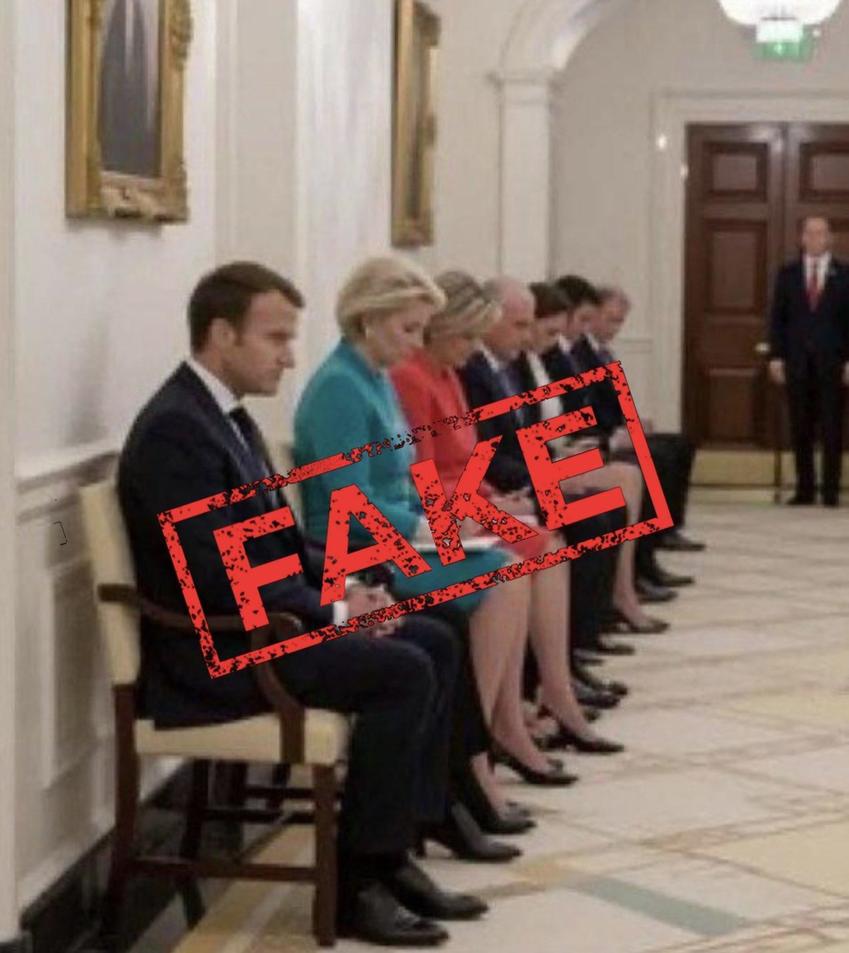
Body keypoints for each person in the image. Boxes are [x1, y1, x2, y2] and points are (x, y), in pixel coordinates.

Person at [118, 261, 487, 947]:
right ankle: (357, 883)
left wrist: (348, 586)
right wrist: (339, 611)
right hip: (220, 651)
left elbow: (280, 544)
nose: (289, 356)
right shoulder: (177, 429)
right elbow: (219, 578)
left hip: (264, 623)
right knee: (404, 669)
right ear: (223, 334)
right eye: (276, 338)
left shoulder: (223, 415)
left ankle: (394, 850)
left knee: (436, 629)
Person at [294, 257, 594, 830]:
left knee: (509, 565)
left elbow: (406, 481)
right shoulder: (339, 386)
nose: (416, 342)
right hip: (351, 550)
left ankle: (482, 744)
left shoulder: (374, 377)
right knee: (504, 576)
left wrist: (446, 519)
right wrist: (433, 527)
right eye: (408, 328)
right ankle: (471, 760)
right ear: (369, 318)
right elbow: (348, 500)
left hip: (396, 535)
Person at [389, 270, 627, 749]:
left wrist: (493, 497)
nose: (473, 348)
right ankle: (510, 719)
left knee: (547, 539)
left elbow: (466, 460)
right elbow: (425, 473)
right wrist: (487, 502)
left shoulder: (447, 374)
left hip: (467, 499)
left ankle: (546, 693)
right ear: (444, 328)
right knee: (535, 547)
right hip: (439, 514)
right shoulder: (412, 377)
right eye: (468, 336)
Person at [769, 216, 849, 507]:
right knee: (800, 427)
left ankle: (830, 491)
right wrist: (776, 356)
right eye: (810, 233)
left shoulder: (844, 274)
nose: (815, 238)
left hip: (833, 364)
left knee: (832, 428)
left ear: (830, 238)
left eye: (821, 233)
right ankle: (805, 489)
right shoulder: (788, 274)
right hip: (797, 363)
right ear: (802, 238)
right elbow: (777, 318)